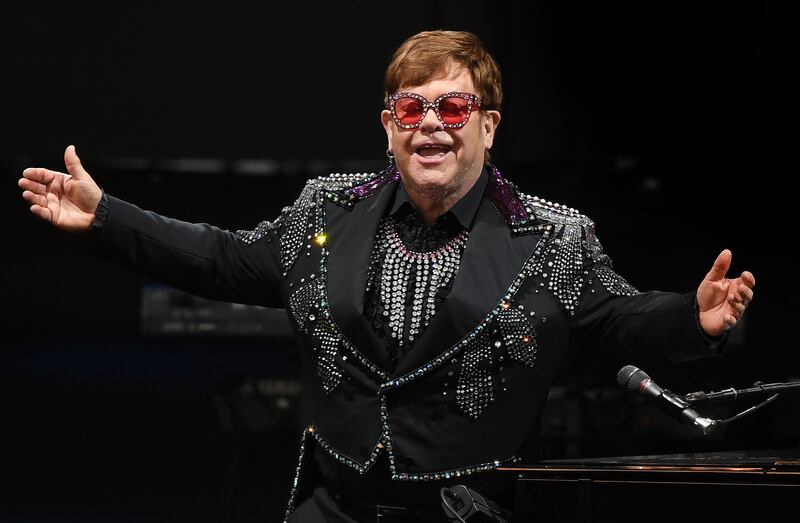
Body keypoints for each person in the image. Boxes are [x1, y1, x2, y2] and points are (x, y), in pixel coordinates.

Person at [18, 30, 754, 523]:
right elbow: (222, 255)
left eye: (454, 105)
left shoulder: (554, 238)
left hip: (469, 513)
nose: (431, 122)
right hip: (332, 508)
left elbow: (621, 319)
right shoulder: (326, 208)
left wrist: (695, 318)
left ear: (489, 125)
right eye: (412, 106)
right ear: (388, 124)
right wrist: (107, 217)